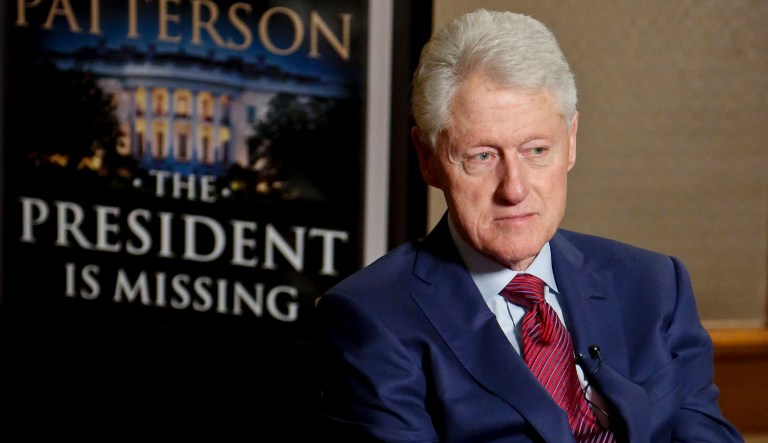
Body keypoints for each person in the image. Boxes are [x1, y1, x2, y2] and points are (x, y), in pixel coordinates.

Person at [314, 8, 743, 442]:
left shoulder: (655, 286)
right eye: (482, 156)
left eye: (536, 150)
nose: (514, 189)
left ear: (571, 142)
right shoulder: (371, 317)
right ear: (428, 159)